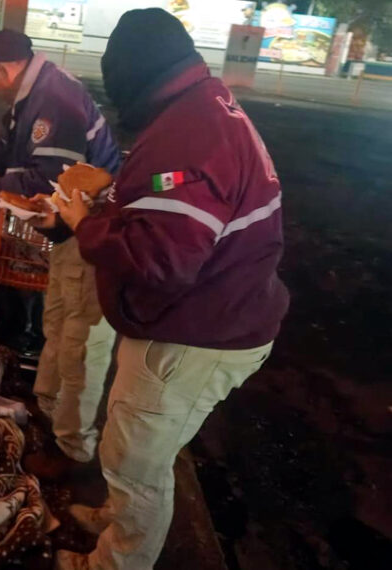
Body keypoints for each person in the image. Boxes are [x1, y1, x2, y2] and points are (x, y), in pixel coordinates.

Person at [51, 9, 289, 570]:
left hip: (197, 332)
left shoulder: (186, 134)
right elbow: (185, 208)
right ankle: (117, 522)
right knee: (132, 446)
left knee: (136, 461)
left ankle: (117, 562)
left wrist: (86, 220)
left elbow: (162, 259)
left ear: (134, 78)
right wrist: (116, 188)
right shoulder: (204, 105)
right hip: (220, 314)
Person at [0, 29, 121, 476]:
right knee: (58, 319)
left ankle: (74, 449)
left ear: (3, 70)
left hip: (87, 230)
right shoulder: (34, 95)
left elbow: (56, 177)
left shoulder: (52, 101)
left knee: (78, 338)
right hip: (65, 230)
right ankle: (51, 409)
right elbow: (6, 145)